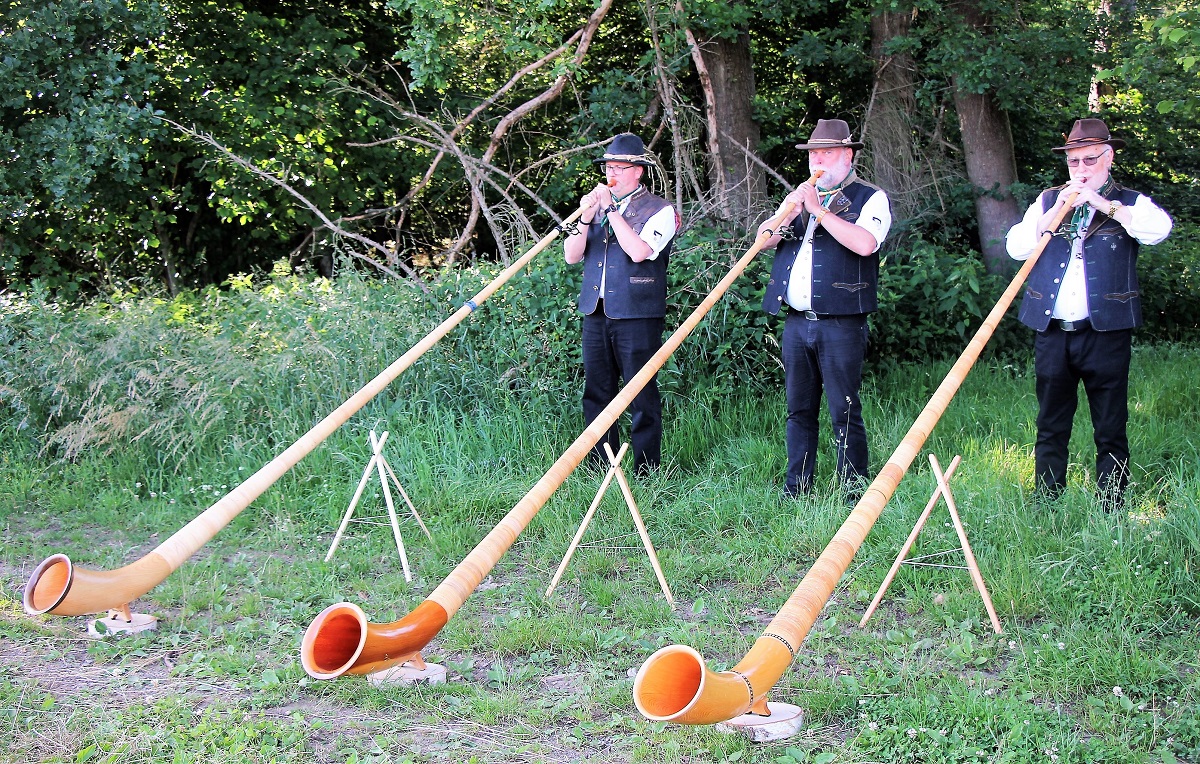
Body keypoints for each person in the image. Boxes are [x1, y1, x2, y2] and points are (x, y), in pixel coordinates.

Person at [1005, 117, 1172, 507]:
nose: (1081, 169)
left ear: (1109, 157)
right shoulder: (1048, 200)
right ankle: (1047, 500)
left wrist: (1102, 205)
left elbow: (1157, 230)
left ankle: (1111, 505)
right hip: (1052, 331)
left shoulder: (1129, 201)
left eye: (1090, 160)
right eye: (1074, 162)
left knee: (1110, 425)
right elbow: (1016, 247)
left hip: (1106, 332)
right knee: (1050, 421)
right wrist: (1058, 210)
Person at [756, 119, 892, 499]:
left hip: (842, 323)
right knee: (799, 409)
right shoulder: (801, 199)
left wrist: (817, 211)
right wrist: (788, 208)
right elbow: (761, 242)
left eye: (827, 153)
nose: (819, 160)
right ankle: (797, 487)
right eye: (814, 154)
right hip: (797, 323)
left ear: (847, 156)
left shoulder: (870, 197)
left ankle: (853, 488)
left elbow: (865, 244)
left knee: (843, 408)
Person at [563, 133, 679, 474]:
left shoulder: (661, 210)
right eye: (608, 166)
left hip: (638, 314)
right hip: (595, 313)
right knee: (597, 391)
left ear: (637, 171)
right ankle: (601, 466)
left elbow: (640, 251)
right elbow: (572, 256)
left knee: (640, 395)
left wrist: (611, 210)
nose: (611, 173)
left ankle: (647, 470)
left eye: (619, 167)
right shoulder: (594, 208)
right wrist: (586, 217)